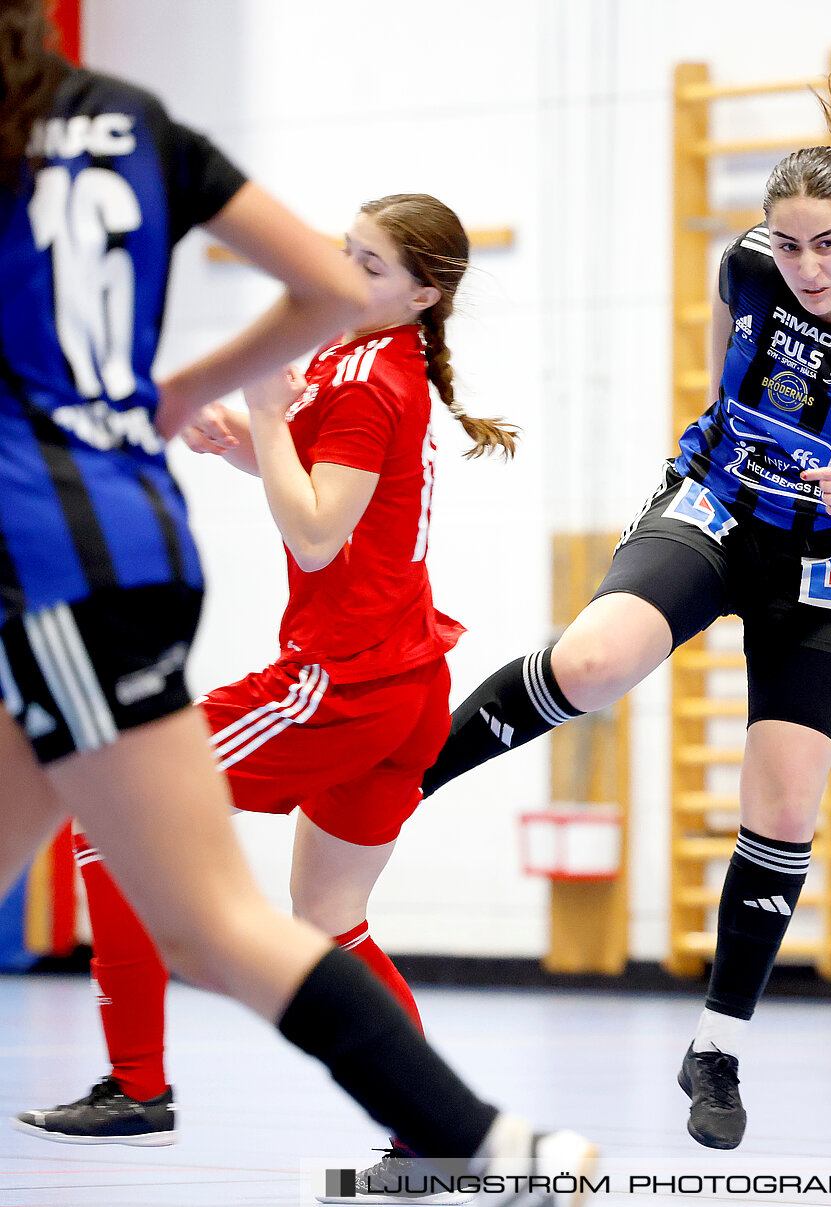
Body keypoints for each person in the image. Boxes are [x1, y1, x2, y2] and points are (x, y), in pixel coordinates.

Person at [0, 4, 594, 1203]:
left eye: (373, 266)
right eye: (349, 252)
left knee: (111, 825)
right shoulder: (350, 360)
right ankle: (449, 1143)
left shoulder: (373, 381)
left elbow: (317, 532)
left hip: (342, 677)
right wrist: (239, 434)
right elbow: (315, 493)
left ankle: (138, 1085)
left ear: (421, 298)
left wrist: (260, 419)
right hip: (396, 677)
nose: (349, 273)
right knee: (327, 917)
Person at [417, 36, 831, 1150]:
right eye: (788, 245)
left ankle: (718, 1046)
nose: (806, 266)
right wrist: (733, 458)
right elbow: (725, 369)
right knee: (594, 662)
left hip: (828, 551)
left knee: (785, 804)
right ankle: (410, 776)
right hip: (719, 505)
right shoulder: (744, 266)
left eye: (827, 245)